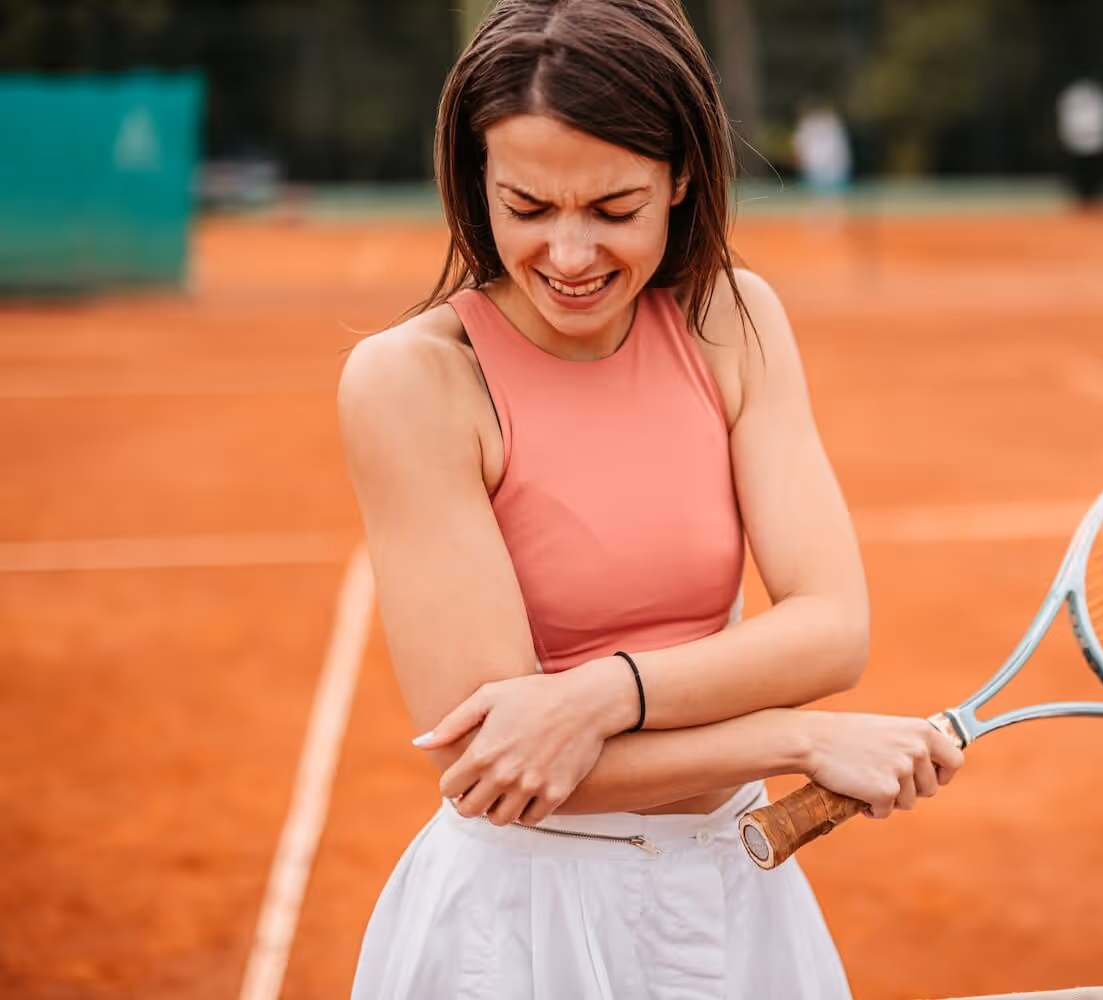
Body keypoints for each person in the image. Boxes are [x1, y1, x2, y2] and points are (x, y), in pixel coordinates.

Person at [336, 1, 965, 996]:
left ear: (680, 175)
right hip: (524, 922)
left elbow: (832, 627)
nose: (571, 257)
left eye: (613, 209)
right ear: (475, 183)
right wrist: (799, 737)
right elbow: (493, 766)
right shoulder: (408, 380)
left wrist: (594, 695)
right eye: (528, 208)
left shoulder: (733, 315)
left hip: (735, 894)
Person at [1056, 77, 1103, 208]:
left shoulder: (1095, 94)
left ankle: (1094, 199)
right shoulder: (1074, 94)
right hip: (1079, 141)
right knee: (1079, 176)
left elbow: (1102, 116)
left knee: (1094, 175)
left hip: (1094, 140)